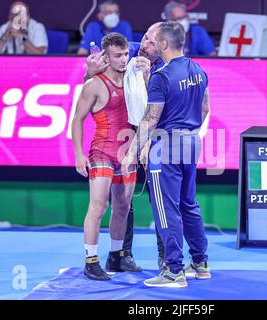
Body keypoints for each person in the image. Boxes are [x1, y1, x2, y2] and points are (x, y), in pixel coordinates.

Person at [122, 21, 211, 288]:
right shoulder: (199, 70)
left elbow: (149, 120)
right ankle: (200, 263)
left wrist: (131, 154)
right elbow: (205, 108)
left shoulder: (161, 76)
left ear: (163, 44)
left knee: (166, 209)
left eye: (153, 39)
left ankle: (173, 271)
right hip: (192, 143)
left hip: (167, 146)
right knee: (189, 204)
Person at [84, 22, 168, 271]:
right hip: (123, 136)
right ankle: (122, 254)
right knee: (123, 202)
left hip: (155, 134)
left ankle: (165, 258)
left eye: (152, 42)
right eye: (144, 37)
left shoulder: (167, 65)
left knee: (159, 198)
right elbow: (92, 82)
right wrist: (89, 71)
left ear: (163, 46)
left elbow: (161, 108)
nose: (144, 44)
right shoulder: (128, 51)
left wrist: (148, 76)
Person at [72, 32, 146, 281]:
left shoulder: (133, 79)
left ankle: (116, 256)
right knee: (98, 206)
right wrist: (79, 154)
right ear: (105, 56)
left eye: (126, 54)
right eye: (117, 55)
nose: (124, 59)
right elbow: (77, 119)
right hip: (102, 152)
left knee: (123, 207)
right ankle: (90, 261)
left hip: (127, 153)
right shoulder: (94, 84)